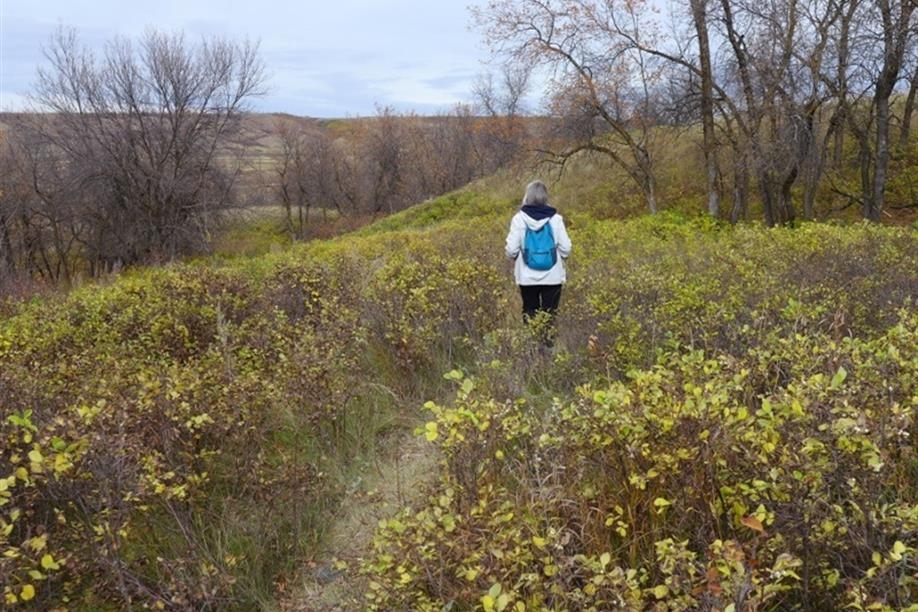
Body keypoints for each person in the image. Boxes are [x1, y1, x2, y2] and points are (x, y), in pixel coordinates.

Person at [505, 180, 572, 344]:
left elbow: (511, 249)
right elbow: (566, 248)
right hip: (553, 277)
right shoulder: (556, 219)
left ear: (527, 197)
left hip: (527, 278)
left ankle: (533, 349)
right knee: (550, 314)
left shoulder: (519, 219)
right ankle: (548, 348)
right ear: (545, 197)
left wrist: (516, 258)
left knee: (530, 311)